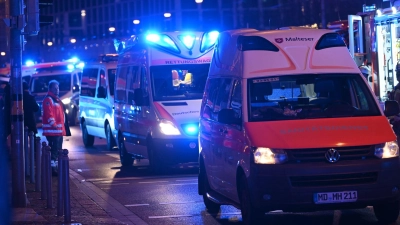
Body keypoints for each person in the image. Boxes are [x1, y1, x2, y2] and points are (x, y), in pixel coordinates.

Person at [42, 80, 71, 175]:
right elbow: (48, 114)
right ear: (50, 89)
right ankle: (53, 169)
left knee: (57, 150)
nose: (57, 90)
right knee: (55, 150)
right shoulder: (49, 100)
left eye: (58, 88)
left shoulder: (56, 99)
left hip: (57, 131)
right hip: (53, 131)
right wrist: (54, 125)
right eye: (55, 88)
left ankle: (56, 168)